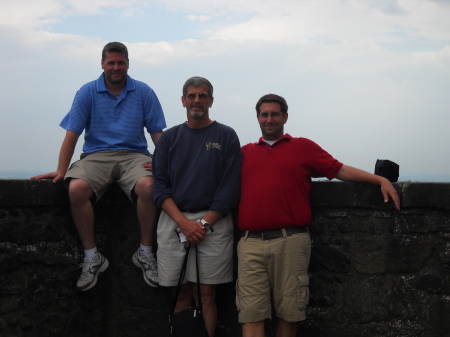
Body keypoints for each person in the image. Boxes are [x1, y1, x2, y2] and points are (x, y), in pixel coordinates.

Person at [236, 94, 401, 337]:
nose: (269, 119)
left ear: (285, 117)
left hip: (290, 241)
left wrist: (379, 179)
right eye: (264, 114)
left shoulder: (302, 147)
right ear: (258, 118)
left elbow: (340, 169)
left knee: (289, 313)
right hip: (250, 243)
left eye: (274, 114)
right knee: (250, 314)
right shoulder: (244, 153)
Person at [31, 42, 166, 291]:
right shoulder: (87, 92)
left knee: (149, 186)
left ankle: (145, 252)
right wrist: (62, 170)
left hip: (133, 154)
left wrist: (164, 163)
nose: (116, 67)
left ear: (128, 63)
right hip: (96, 155)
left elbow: (158, 135)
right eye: (111, 62)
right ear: (102, 64)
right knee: (75, 189)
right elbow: (72, 135)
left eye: (121, 62)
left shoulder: (144, 92)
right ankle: (92, 256)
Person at [152, 76, 241, 337]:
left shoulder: (226, 135)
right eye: (191, 96)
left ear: (211, 100)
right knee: (180, 292)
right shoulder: (169, 139)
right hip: (174, 219)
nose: (197, 100)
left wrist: (201, 224)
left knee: (205, 293)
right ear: (183, 101)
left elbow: (230, 187)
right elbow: (159, 186)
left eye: (202, 96)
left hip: (212, 222)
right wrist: (183, 223)